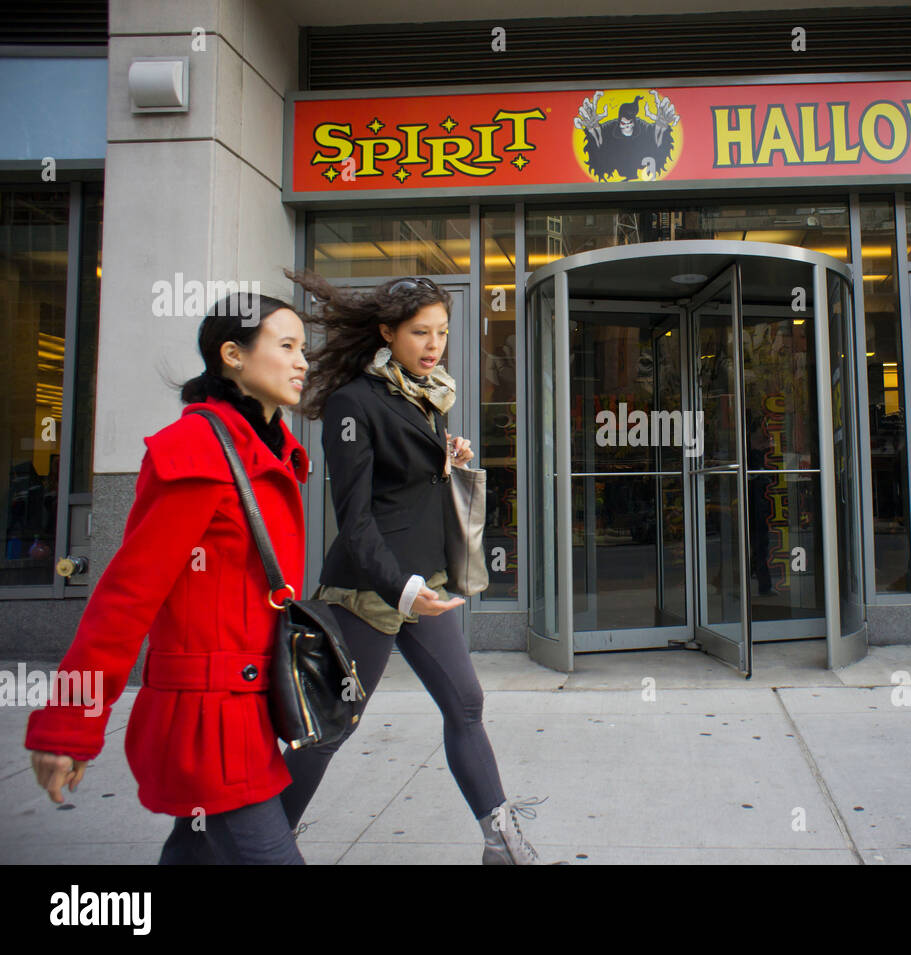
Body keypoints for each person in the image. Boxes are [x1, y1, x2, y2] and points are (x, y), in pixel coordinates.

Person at [279, 270, 557, 864]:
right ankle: (266, 845)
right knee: (333, 724)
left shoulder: (426, 394)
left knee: (466, 705)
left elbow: (406, 478)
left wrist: (447, 454)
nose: (434, 345)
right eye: (420, 333)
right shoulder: (354, 403)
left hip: (424, 586)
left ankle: (503, 846)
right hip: (370, 592)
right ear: (387, 332)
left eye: (442, 333)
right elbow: (354, 521)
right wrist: (401, 588)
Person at [27, 291, 312, 863]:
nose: (303, 362)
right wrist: (68, 723)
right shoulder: (197, 452)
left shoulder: (265, 450)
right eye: (286, 346)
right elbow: (128, 596)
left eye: (304, 348)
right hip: (210, 721)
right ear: (232, 354)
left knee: (195, 851)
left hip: (246, 709)